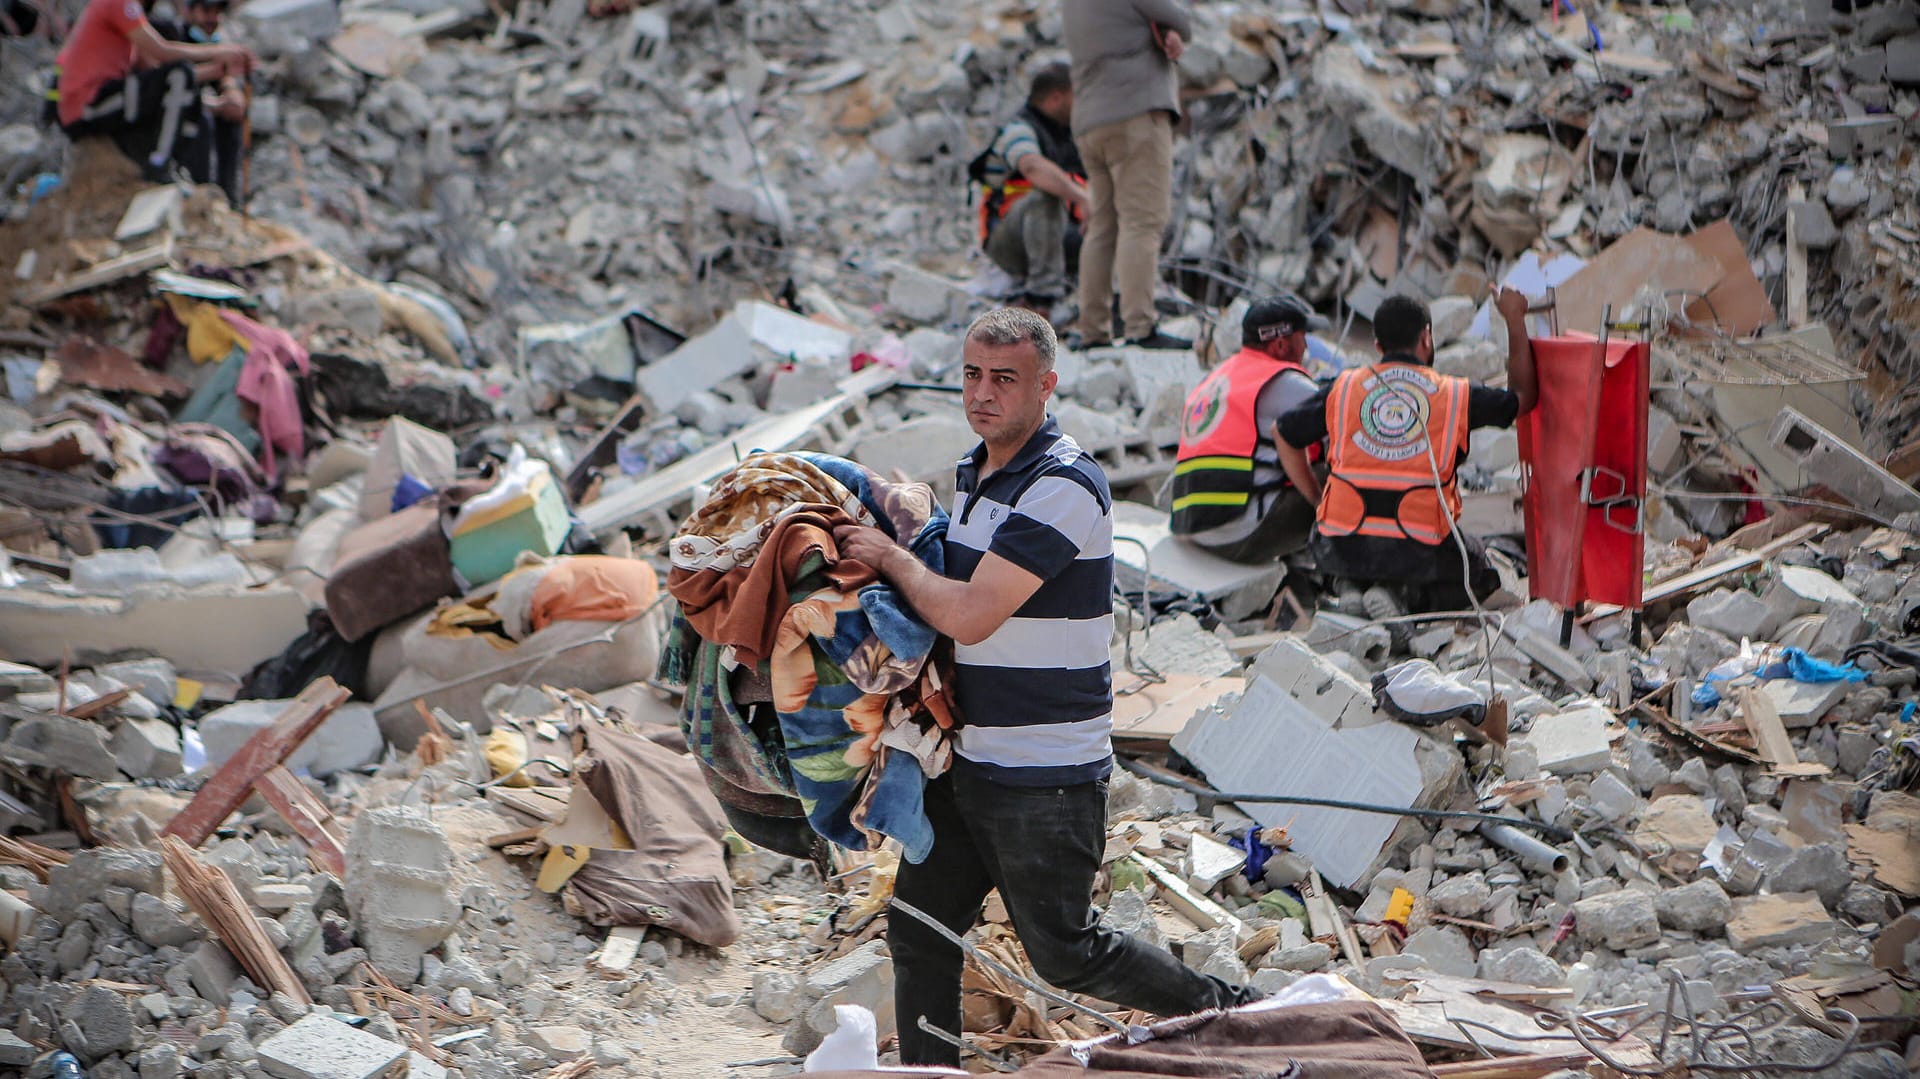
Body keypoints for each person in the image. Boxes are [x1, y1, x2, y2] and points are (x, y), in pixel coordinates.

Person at [832, 308, 1257, 1069]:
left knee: (1065, 951)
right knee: (920, 930)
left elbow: (969, 615)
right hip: (967, 763)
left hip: (1045, 777)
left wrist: (891, 559)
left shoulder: (1064, 485)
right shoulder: (979, 473)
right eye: (971, 375)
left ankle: (1229, 1012)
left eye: (1005, 379)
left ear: (1046, 385)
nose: (983, 394)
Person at [1275, 289, 1538, 612]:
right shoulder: (1455, 394)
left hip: (1341, 543)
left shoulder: (1342, 388)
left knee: (1335, 544)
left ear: (1377, 346)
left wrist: (1317, 500)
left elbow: (1284, 432)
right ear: (1426, 338)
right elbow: (1523, 398)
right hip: (1417, 546)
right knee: (1479, 572)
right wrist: (1514, 319)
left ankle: (1350, 587)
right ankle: (1402, 597)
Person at [1062, 0, 1192, 351]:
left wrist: (1163, 31)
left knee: (1102, 226)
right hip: (1135, 114)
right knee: (1142, 222)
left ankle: (1092, 329)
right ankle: (1140, 326)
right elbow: (1180, 17)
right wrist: (1170, 29)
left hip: (1091, 120)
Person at [1170, 294, 1329, 564]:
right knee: (1349, 469)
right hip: (1242, 536)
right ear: (1281, 344)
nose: (1307, 348)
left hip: (1192, 528)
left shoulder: (1217, 377)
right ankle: (1358, 574)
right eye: (1304, 338)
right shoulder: (1285, 382)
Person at [50, 0, 252, 188]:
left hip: (104, 102)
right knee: (179, 75)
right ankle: (160, 162)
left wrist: (219, 72)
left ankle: (201, 181)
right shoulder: (121, 4)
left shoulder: (128, 21)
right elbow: (162, 53)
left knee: (190, 96)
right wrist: (218, 52)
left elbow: (154, 73)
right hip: (87, 107)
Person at [970, 61, 1088, 313]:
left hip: (1060, 235)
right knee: (1047, 197)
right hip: (1010, 242)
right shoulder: (1017, 130)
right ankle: (1039, 301)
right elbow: (1033, 167)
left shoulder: (1069, 136)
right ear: (1057, 98)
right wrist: (1083, 199)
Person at [152, 0, 246, 205]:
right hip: (174, 119)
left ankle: (229, 199)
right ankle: (202, 194)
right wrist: (214, 103)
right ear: (191, 11)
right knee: (201, 119)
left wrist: (231, 93)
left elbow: (226, 78)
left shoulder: (217, 41)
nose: (212, 18)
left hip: (208, 110)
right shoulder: (174, 35)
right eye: (206, 11)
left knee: (231, 122)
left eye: (217, 12)